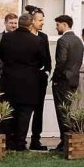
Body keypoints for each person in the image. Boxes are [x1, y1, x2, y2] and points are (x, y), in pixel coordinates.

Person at [0, 11, 50, 152]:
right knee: (24, 114)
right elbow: (42, 61)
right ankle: (20, 143)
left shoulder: (7, 38)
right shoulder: (37, 41)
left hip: (9, 81)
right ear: (30, 24)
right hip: (29, 82)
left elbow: (1, 56)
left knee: (8, 113)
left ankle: (7, 142)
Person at [50, 15, 83, 152]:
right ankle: (66, 141)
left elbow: (61, 62)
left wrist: (55, 77)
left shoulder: (63, 40)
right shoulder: (78, 41)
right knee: (69, 111)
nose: (56, 27)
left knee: (62, 111)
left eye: (57, 25)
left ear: (64, 24)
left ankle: (65, 142)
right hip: (74, 80)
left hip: (63, 81)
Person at [28, 9, 52, 151]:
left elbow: (47, 57)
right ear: (32, 21)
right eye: (40, 20)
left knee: (39, 110)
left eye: (43, 20)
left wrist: (47, 72)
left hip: (40, 79)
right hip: (26, 80)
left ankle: (36, 139)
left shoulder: (43, 37)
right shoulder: (23, 36)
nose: (42, 23)